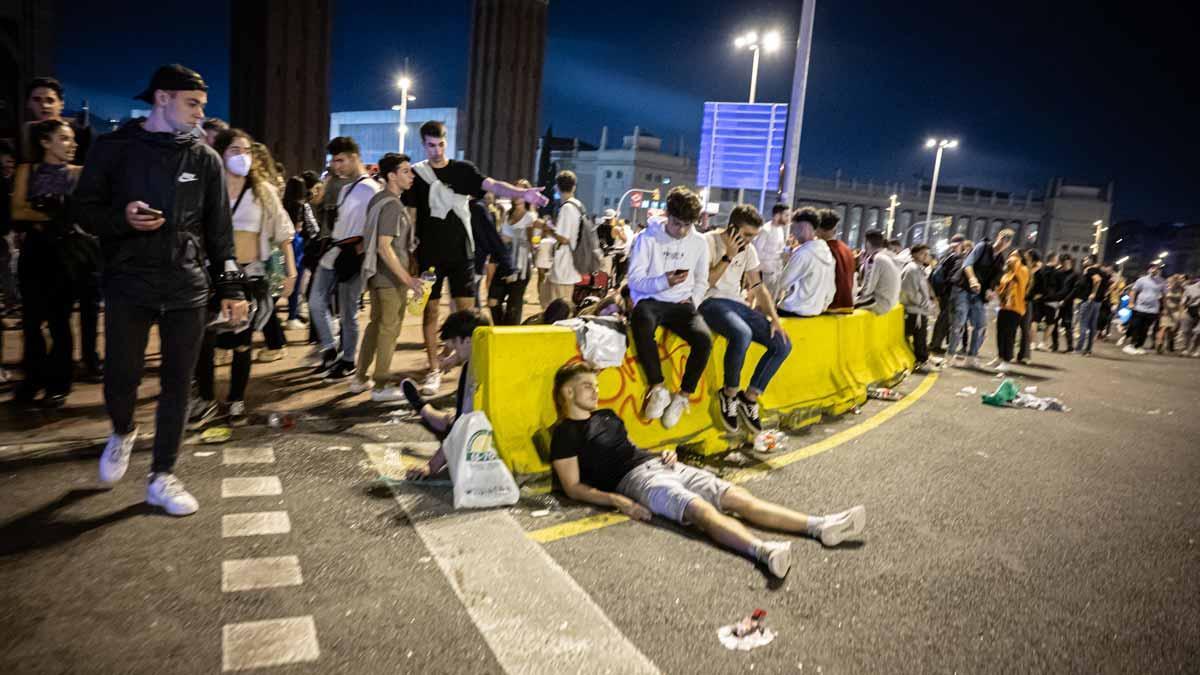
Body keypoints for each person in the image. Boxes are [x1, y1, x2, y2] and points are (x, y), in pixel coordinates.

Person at [74, 64, 247, 516]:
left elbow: (219, 233)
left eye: (203, 106)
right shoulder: (113, 149)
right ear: (162, 99)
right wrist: (122, 218)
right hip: (128, 280)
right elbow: (84, 212)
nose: (199, 113)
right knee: (121, 377)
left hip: (186, 283)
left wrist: (231, 288)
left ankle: (162, 475)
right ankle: (123, 429)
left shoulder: (205, 158)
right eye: (192, 104)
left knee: (177, 383)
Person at [548, 363, 866, 579]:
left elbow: (630, 449)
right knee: (699, 511)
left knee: (737, 499)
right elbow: (573, 487)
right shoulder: (564, 433)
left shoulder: (607, 415)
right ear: (568, 393)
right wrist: (619, 501)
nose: (595, 391)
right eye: (586, 386)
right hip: (636, 483)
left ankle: (819, 525)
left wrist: (664, 452)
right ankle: (763, 551)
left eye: (595, 384)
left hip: (660, 464)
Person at [401, 120, 549, 396]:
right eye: (431, 145)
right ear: (424, 145)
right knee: (430, 312)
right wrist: (410, 254)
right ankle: (434, 369)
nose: (436, 150)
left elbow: (492, 184)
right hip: (428, 255)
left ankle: (456, 362)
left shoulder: (462, 170)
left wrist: (521, 193)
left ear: (447, 142)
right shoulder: (417, 175)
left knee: (467, 317)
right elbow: (410, 217)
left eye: (441, 144)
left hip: (461, 253)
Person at [189, 128, 295, 428]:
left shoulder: (263, 191)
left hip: (251, 274)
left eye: (246, 150)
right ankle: (206, 399)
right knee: (205, 340)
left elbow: (284, 232)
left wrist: (291, 271)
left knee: (242, 339)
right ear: (220, 154)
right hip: (212, 273)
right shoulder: (206, 189)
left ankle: (236, 399)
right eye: (235, 150)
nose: (243, 156)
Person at [9, 118, 86, 406]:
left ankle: (59, 383)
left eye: (72, 139)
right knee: (30, 322)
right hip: (35, 252)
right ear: (45, 142)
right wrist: (54, 213)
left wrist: (40, 211)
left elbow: (75, 215)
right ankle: (33, 379)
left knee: (60, 322)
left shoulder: (78, 173)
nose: (72, 145)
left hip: (65, 253)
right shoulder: (26, 170)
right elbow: (17, 210)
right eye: (65, 139)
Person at [697, 205, 790, 433]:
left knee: (783, 344)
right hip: (710, 301)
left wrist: (774, 318)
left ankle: (749, 398)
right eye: (747, 235)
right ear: (732, 227)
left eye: (753, 236)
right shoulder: (707, 242)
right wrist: (729, 255)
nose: (749, 241)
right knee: (742, 334)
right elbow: (705, 283)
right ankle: (729, 394)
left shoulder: (749, 251)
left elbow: (758, 287)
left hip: (736, 303)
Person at [626, 186, 712, 429]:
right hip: (651, 301)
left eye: (687, 225)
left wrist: (693, 300)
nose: (682, 230)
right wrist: (665, 280)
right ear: (667, 215)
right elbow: (635, 280)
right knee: (641, 319)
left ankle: (682, 397)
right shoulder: (647, 238)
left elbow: (702, 279)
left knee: (704, 340)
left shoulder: (699, 242)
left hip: (682, 304)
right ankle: (658, 388)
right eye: (676, 223)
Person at [349, 153, 425, 401]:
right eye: (405, 171)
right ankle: (380, 386)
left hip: (376, 276)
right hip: (390, 278)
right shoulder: (392, 204)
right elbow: (384, 246)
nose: (411, 176)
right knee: (389, 330)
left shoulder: (378, 199)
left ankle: (360, 378)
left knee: (375, 326)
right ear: (391, 176)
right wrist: (408, 279)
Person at [309, 136, 379, 380]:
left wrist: (361, 251)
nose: (335, 166)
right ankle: (330, 350)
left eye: (340, 160)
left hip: (354, 254)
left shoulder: (370, 188)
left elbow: (378, 225)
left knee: (348, 312)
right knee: (315, 302)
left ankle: (348, 360)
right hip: (335, 250)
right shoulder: (344, 186)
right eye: (333, 161)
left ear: (354, 158)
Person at [402, 311, 493, 478]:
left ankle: (422, 407)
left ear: (467, 340)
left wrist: (431, 467)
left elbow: (462, 426)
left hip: (481, 439)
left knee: (452, 422)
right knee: (450, 419)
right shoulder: (495, 354)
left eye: (454, 345)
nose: (452, 351)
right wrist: (458, 358)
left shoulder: (473, 372)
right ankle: (422, 407)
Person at [948, 229, 1014, 367]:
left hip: (979, 294)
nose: (1004, 242)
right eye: (1003, 238)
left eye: (1008, 240)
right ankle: (951, 354)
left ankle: (971, 357)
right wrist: (972, 279)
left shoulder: (1000, 259)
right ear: (998, 237)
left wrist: (990, 290)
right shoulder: (982, 247)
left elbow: (996, 278)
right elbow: (967, 264)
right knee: (959, 321)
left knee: (980, 325)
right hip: (963, 288)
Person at [489, 179, 538, 325]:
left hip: (521, 267)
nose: (517, 195)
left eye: (521, 191)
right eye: (514, 191)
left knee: (513, 308)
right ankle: (501, 329)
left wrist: (513, 239)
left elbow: (533, 243)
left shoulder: (531, 217)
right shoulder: (506, 214)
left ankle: (508, 336)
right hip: (504, 263)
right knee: (492, 301)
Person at [776, 207, 835, 318]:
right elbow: (831, 290)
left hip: (792, 310)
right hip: (815, 311)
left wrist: (786, 261)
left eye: (794, 227)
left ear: (803, 227)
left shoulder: (803, 254)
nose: (793, 233)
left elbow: (783, 283)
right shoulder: (829, 255)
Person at [22, 77, 92, 165]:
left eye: (50, 100)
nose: (44, 105)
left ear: (61, 104)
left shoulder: (79, 130)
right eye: (37, 100)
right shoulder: (29, 129)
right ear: (28, 103)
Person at [282, 174, 320, 330]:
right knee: (296, 280)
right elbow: (312, 229)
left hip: (285, 242)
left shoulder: (283, 204)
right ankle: (292, 316)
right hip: (297, 243)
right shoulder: (302, 205)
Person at [545, 170, 584, 303]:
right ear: (574, 187)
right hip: (573, 262)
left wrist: (548, 228)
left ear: (557, 187)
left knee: (558, 305)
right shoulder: (578, 205)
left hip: (564, 265)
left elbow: (563, 238)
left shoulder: (567, 208)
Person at [990, 249, 1029, 371]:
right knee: (1000, 333)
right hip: (1004, 307)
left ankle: (1007, 360)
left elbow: (1019, 280)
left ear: (1020, 258)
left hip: (1016, 308)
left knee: (1009, 334)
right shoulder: (1007, 274)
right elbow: (1002, 287)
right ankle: (1000, 356)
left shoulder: (1023, 270)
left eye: (1015, 256)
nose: (1011, 258)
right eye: (1011, 255)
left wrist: (1015, 260)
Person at [899, 244, 937, 370]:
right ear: (914, 254)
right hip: (914, 311)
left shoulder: (918, 269)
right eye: (923, 254)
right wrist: (926, 304)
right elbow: (910, 293)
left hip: (919, 310)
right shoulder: (912, 269)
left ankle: (922, 360)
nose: (926, 256)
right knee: (919, 338)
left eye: (927, 254)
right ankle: (920, 362)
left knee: (921, 337)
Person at [928, 234, 966, 354]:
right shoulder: (957, 257)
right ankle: (935, 345)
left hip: (942, 291)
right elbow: (952, 276)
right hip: (948, 292)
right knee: (944, 319)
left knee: (943, 319)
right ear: (961, 244)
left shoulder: (946, 256)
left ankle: (935, 343)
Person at [815, 208, 856, 312]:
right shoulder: (847, 249)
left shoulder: (823, 250)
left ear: (818, 228)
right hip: (847, 305)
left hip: (830, 306)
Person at [855, 230, 902, 315]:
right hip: (890, 302)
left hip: (879, 302)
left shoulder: (878, 259)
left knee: (848, 306)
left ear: (867, 243)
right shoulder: (889, 257)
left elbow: (869, 288)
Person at [1123, 264, 1165, 355]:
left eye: (1157, 269)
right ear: (1149, 270)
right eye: (1153, 268)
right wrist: (1131, 303)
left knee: (1145, 329)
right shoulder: (1142, 280)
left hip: (1153, 310)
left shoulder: (1161, 282)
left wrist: (1163, 307)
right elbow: (1133, 291)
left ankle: (1139, 345)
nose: (1154, 270)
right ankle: (1131, 345)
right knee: (1136, 326)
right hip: (1139, 308)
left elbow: (1164, 295)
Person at [751, 204, 789, 300]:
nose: (788, 218)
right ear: (777, 215)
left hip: (777, 269)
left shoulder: (780, 229)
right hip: (767, 270)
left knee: (774, 297)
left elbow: (780, 248)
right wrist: (778, 255)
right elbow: (757, 252)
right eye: (786, 215)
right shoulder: (765, 230)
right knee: (765, 298)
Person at [1073, 254, 1108, 356]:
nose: (1084, 261)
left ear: (1091, 260)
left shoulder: (1090, 270)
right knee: (1092, 326)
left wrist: (1093, 293)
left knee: (1083, 324)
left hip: (1089, 301)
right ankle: (1088, 349)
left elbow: (1097, 280)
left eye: (1086, 259)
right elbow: (1107, 283)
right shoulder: (1101, 271)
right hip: (1098, 302)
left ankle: (1079, 349)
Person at [1050, 254, 1079, 352]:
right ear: (1061, 263)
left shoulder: (1075, 275)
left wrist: (1065, 300)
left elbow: (1075, 290)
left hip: (1068, 303)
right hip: (1057, 303)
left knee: (1067, 325)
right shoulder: (1057, 273)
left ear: (1071, 262)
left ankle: (1070, 347)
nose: (1066, 264)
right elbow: (1054, 288)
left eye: (1068, 262)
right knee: (1053, 324)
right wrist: (1056, 299)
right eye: (1064, 262)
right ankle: (1055, 345)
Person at [1016, 249, 1042, 364]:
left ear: (1031, 257)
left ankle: (1024, 356)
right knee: (1012, 328)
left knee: (1025, 329)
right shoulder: (1023, 267)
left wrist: (1030, 298)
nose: (1024, 256)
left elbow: (1041, 289)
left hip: (1027, 302)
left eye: (1027, 255)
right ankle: (1009, 355)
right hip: (1017, 301)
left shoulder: (1038, 272)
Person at [1031, 252, 1060, 351]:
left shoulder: (1040, 270)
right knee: (1051, 323)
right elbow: (1060, 287)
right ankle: (1043, 343)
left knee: (1034, 321)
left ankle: (1033, 343)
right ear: (1054, 259)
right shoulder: (1057, 272)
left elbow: (1034, 283)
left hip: (1039, 298)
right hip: (1051, 300)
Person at [1155, 275, 1185, 354]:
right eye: (1176, 279)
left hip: (1176, 311)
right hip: (1167, 310)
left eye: (1178, 280)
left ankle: (1169, 345)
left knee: (1173, 329)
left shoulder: (1181, 289)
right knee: (1163, 328)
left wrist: (1181, 312)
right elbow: (1163, 299)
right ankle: (1159, 344)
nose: (1178, 281)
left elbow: (1181, 301)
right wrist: (1164, 309)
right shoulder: (1166, 288)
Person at [1178, 276, 1200, 357]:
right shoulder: (1190, 288)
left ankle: (1195, 349)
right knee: (1186, 331)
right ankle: (1185, 349)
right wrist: (1182, 313)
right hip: (1190, 311)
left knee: (1198, 332)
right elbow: (1183, 302)